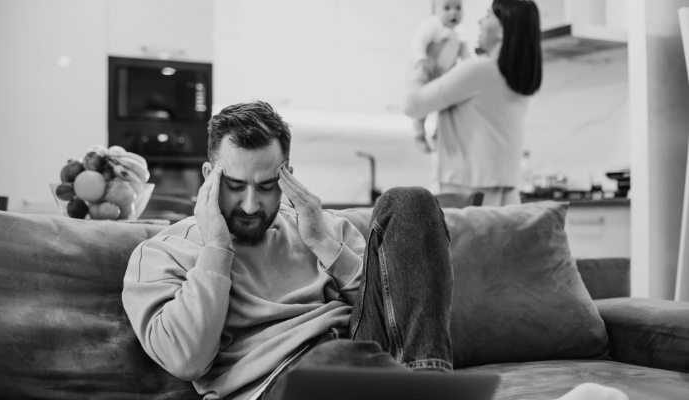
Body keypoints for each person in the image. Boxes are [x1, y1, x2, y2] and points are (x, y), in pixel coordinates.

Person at [122, 101, 628, 400]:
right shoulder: (162, 253)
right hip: (276, 385)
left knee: (410, 201)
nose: (251, 204)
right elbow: (187, 359)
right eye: (235, 186)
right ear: (209, 176)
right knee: (339, 359)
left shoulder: (319, 228)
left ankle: (428, 385)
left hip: (365, 356)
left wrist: (324, 244)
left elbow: (393, 306)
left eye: (267, 185)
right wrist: (216, 247)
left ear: (287, 176)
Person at [404, 0, 543, 206]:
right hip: (507, 191)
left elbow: (412, 104)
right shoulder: (521, 77)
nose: (479, 21)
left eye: (488, 15)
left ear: (502, 31)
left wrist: (423, 60)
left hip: (465, 193)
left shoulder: (478, 70)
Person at [410, 0, 472, 153]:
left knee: (445, 108)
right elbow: (419, 41)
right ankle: (419, 134)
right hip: (428, 72)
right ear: (435, 10)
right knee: (422, 106)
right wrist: (421, 58)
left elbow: (466, 55)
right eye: (447, 8)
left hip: (445, 76)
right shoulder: (433, 25)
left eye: (458, 8)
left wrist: (470, 67)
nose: (453, 12)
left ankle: (439, 134)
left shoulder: (460, 33)